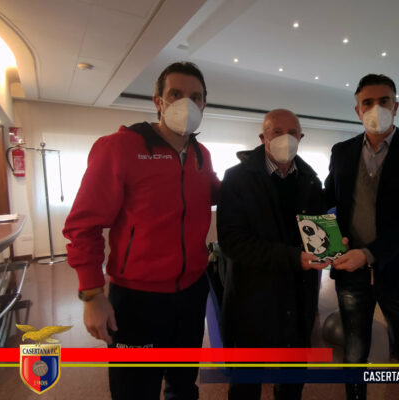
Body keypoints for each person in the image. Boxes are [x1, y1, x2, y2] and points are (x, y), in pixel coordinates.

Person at [63, 61, 220, 400]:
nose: (186, 103)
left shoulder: (201, 154)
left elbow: (217, 193)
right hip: (137, 299)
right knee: (134, 390)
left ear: (204, 105)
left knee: (183, 385)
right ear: (158, 101)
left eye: (195, 97)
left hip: (192, 293)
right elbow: (83, 225)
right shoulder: (121, 147)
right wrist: (92, 294)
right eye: (175, 94)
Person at [325, 74, 399, 400]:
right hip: (351, 271)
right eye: (368, 102)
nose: (376, 108)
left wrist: (369, 253)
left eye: (383, 101)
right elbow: (326, 197)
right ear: (357, 110)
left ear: (395, 106)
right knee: (354, 350)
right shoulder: (342, 151)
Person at [217, 109, 329, 400]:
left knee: (292, 379)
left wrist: (331, 246)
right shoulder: (237, 178)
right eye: (277, 132)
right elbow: (232, 241)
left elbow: (316, 233)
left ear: (301, 137)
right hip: (252, 295)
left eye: (292, 133)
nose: (285, 138)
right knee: (246, 381)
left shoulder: (311, 180)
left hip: (299, 294)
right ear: (263, 137)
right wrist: (294, 257)